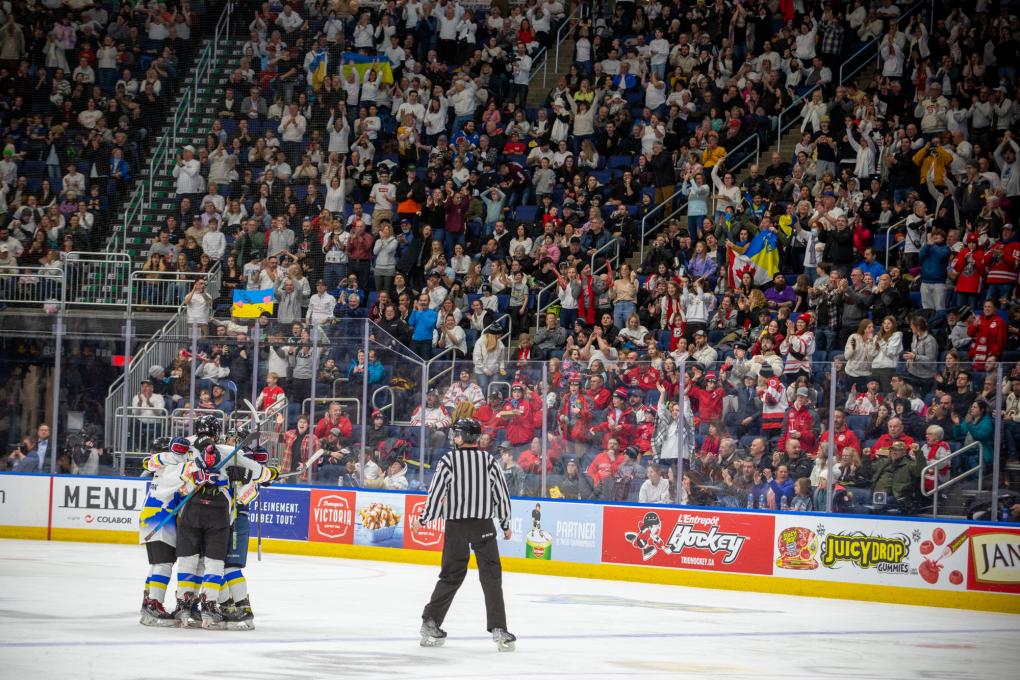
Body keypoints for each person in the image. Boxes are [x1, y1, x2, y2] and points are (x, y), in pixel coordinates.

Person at [416, 418, 516, 651]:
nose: (454, 437)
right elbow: (501, 494)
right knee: (491, 576)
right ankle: (499, 628)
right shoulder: (489, 460)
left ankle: (430, 622)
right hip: (483, 525)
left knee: (451, 575)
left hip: (456, 527)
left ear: (465, 436)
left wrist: (424, 518)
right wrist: (505, 523)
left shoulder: (448, 461)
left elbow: (436, 494)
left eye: (457, 433)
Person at [138, 436, 192, 627]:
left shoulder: (163, 463)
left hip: (152, 516)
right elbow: (187, 473)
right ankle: (154, 603)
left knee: (157, 564)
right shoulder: (172, 467)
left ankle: (148, 602)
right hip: (161, 518)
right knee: (163, 564)